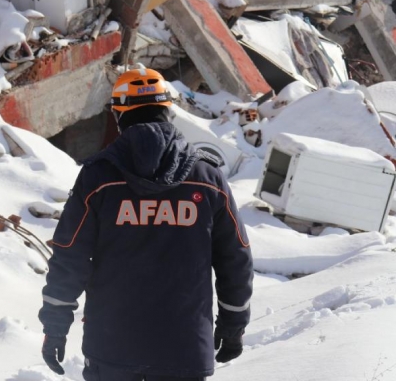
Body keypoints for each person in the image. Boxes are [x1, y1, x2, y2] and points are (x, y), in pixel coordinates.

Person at [38, 65, 253, 381]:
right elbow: (236, 257)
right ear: (168, 109)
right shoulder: (207, 179)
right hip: (185, 347)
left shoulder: (98, 178)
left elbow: (69, 255)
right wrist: (233, 323)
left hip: (112, 348)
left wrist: (55, 327)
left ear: (119, 115)